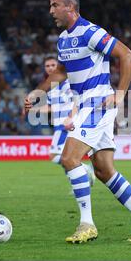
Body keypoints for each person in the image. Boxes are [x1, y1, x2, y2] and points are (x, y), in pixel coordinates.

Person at [24, 0, 131, 243]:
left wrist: (120, 95)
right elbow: (60, 72)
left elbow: (128, 55)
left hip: (97, 104)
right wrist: (36, 93)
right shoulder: (63, 39)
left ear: (70, 7)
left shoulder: (91, 32)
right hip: (87, 105)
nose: (51, 10)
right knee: (104, 171)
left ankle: (87, 225)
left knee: (69, 159)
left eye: (55, 5)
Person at [32, 56, 95, 186]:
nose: (50, 68)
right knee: (66, 157)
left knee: (55, 156)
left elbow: (78, 101)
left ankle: (84, 169)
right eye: (47, 66)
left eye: (52, 65)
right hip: (59, 125)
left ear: (58, 67)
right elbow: (50, 107)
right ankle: (78, 182)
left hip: (67, 125)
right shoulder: (51, 87)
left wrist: (70, 117)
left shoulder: (69, 82)